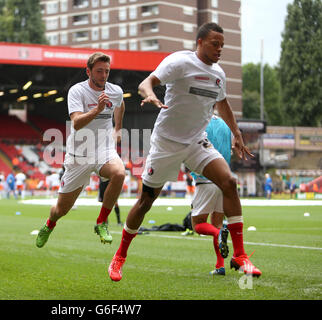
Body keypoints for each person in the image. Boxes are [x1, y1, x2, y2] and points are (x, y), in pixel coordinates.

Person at [108, 23, 261, 282]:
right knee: (146, 202)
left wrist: (236, 133)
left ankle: (240, 255)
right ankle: (119, 256)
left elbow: (222, 103)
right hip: (166, 142)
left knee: (230, 183)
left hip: (196, 141)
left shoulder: (219, 74)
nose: (220, 49)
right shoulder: (180, 62)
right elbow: (148, 82)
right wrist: (150, 95)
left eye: (222, 44)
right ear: (200, 42)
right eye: (215, 43)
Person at [36, 52, 126, 248]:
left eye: (107, 71)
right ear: (88, 71)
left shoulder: (115, 91)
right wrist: (97, 109)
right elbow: (76, 123)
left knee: (120, 173)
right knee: (61, 209)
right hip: (79, 155)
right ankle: (49, 224)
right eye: (99, 71)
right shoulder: (77, 91)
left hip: (104, 149)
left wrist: (118, 127)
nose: (104, 75)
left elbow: (120, 103)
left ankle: (101, 222)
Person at [190, 114, 232, 276]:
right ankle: (220, 266)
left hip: (205, 178)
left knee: (198, 225)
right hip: (223, 179)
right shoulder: (225, 123)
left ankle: (218, 234)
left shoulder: (198, 121)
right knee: (217, 223)